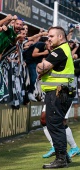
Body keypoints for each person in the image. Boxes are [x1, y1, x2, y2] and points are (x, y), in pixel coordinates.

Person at [37, 26, 75, 169]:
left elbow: (42, 67)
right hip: (61, 92)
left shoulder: (59, 51)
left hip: (58, 93)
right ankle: (64, 156)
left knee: (54, 126)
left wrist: (40, 66)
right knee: (57, 124)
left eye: (51, 36)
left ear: (61, 37)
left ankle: (61, 159)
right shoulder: (64, 49)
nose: (49, 38)